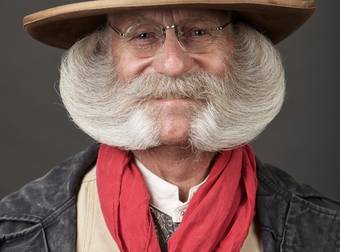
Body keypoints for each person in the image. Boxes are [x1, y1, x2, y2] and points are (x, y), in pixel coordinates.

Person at [0, 0, 339, 251]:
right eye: (143, 34)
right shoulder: (14, 234)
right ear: (105, 59)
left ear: (238, 54)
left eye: (200, 31)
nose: (173, 63)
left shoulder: (325, 233)